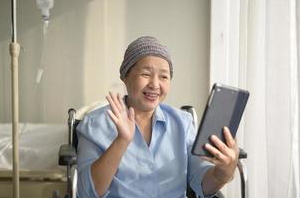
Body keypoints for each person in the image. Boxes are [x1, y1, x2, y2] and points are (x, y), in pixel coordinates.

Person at [77, 36, 239, 198]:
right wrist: (122, 141)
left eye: (163, 77)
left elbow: (202, 183)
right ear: (125, 76)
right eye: (146, 74)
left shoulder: (183, 123)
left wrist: (224, 172)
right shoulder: (94, 124)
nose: (155, 85)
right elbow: (87, 193)